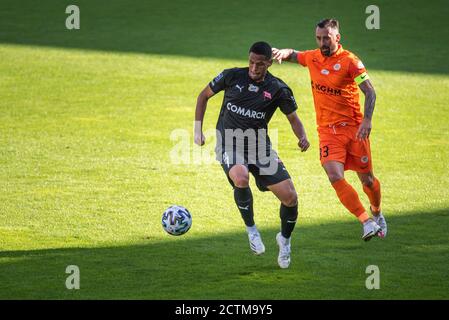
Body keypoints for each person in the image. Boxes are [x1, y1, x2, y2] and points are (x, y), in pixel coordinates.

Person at [194, 41, 310, 268]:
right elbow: (202, 96)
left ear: (268, 63)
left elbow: (293, 118)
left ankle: (284, 241)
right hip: (229, 143)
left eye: (259, 64)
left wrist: (302, 136)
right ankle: (252, 231)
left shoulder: (278, 89)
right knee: (240, 178)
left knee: (290, 197)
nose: (254, 68)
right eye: (251, 62)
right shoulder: (232, 76)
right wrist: (197, 130)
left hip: (259, 147)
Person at [272, 18, 387, 241]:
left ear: (337, 38)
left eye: (326, 38)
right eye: (318, 38)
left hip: (355, 130)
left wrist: (367, 120)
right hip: (327, 132)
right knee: (334, 175)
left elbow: (370, 92)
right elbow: (296, 55)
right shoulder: (313, 57)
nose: (322, 42)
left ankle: (377, 212)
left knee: (368, 181)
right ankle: (366, 221)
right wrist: (283, 52)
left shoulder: (351, 61)